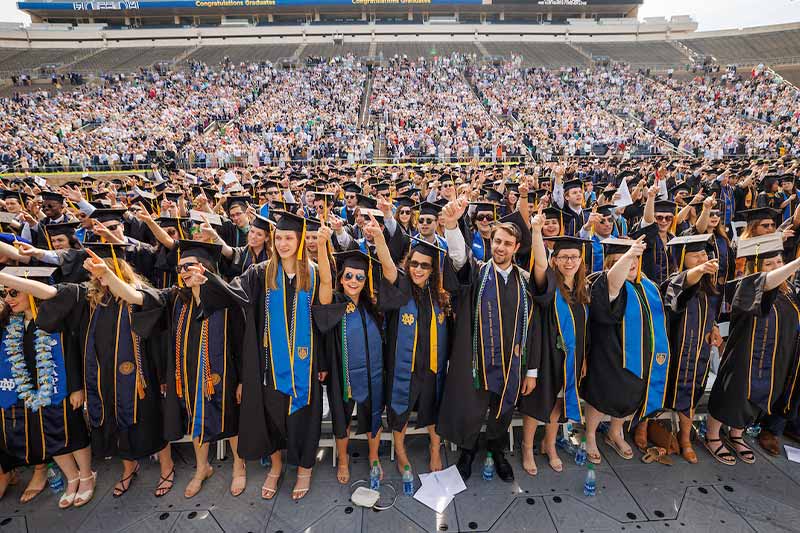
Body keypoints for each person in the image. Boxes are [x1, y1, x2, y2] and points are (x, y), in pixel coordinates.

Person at [8, 242, 175, 498]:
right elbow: (48, 292)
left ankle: (167, 467)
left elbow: (142, 306)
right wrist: (5, 276)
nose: (98, 276)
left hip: (140, 376)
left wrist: (163, 376)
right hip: (101, 377)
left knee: (148, 422)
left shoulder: (138, 293)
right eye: (95, 271)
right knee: (112, 425)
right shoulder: (89, 297)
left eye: (104, 270)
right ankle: (129, 468)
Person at [84, 240, 249, 498]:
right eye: (181, 267)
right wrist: (107, 276)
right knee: (196, 420)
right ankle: (202, 467)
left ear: (205, 267)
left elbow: (241, 341)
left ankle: (239, 467)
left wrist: (242, 380)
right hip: (187, 374)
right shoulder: (175, 299)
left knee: (231, 419)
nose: (184, 271)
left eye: (190, 266)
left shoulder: (226, 297)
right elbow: (136, 296)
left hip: (223, 374)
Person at [201, 211, 333, 500]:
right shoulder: (261, 273)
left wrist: (322, 248)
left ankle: (304, 469)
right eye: (280, 238)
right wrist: (207, 280)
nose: (283, 243)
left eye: (289, 238)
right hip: (270, 364)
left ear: (299, 241)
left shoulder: (311, 271)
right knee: (272, 416)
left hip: (305, 362)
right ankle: (276, 466)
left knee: (304, 418)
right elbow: (233, 292)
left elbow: (325, 302)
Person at [437, 197, 534, 483]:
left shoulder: (525, 281)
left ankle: (496, 448)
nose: (500, 247)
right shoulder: (478, 273)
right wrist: (452, 226)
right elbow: (458, 260)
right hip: (476, 359)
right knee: (471, 407)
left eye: (506, 243)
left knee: (502, 409)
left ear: (516, 248)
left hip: (511, 361)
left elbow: (535, 329)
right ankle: (467, 451)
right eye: (497, 241)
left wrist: (531, 370)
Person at [0, 266, 92, 508]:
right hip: (34, 393)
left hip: (61, 388)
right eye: (5, 294)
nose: (8, 300)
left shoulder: (54, 317)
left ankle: (86, 476)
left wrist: (76, 388)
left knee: (74, 434)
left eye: (13, 293)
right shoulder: (13, 323)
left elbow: (71, 354)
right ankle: (72, 479)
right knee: (50, 437)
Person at [705, 233, 800, 466]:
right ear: (756, 265)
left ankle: (736, 434)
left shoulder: (789, 293)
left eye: (779, 261)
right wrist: (796, 263)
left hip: (777, 357)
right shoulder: (746, 285)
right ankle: (712, 436)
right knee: (732, 396)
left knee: (759, 398)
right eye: (770, 263)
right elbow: (765, 282)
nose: (777, 266)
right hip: (745, 355)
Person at [371, 219, 452, 475]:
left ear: (432, 269)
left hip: (432, 366)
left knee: (435, 408)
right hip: (404, 366)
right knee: (400, 410)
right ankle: (401, 451)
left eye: (424, 266)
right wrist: (380, 239)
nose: (418, 269)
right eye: (414, 263)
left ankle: (435, 449)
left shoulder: (439, 294)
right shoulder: (402, 285)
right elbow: (387, 266)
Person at [581, 237, 671, 464]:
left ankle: (615, 432)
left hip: (641, 355)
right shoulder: (603, 282)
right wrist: (629, 254)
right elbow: (612, 286)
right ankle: (590, 435)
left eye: (635, 260)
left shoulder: (647, 285)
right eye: (623, 260)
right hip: (608, 352)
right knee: (601, 396)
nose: (632, 264)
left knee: (630, 394)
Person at [520, 210, 590, 476]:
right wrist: (537, 232)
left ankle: (549, 444)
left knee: (558, 405)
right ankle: (527, 447)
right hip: (545, 357)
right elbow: (538, 263)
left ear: (580, 259)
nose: (569, 261)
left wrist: (582, 359)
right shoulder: (549, 284)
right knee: (537, 404)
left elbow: (584, 330)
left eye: (574, 257)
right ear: (556, 260)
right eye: (564, 257)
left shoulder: (583, 289)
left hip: (570, 360)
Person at [314, 248, 384, 484]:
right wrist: (323, 247)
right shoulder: (333, 302)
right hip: (341, 373)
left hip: (372, 372)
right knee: (341, 418)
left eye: (359, 277)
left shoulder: (372, 305)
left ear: (366, 280)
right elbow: (324, 280)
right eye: (348, 276)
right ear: (341, 278)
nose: (353, 281)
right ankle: (343, 459)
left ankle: (374, 456)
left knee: (373, 414)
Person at [662, 234, 722, 463]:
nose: (701, 259)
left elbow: (712, 312)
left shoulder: (710, 285)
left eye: (704, 254)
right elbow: (682, 288)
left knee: (693, 390)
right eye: (695, 255)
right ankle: (644, 429)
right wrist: (699, 270)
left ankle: (685, 437)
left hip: (699, 350)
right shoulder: (673, 282)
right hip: (674, 349)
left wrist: (715, 326)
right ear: (682, 259)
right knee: (662, 387)